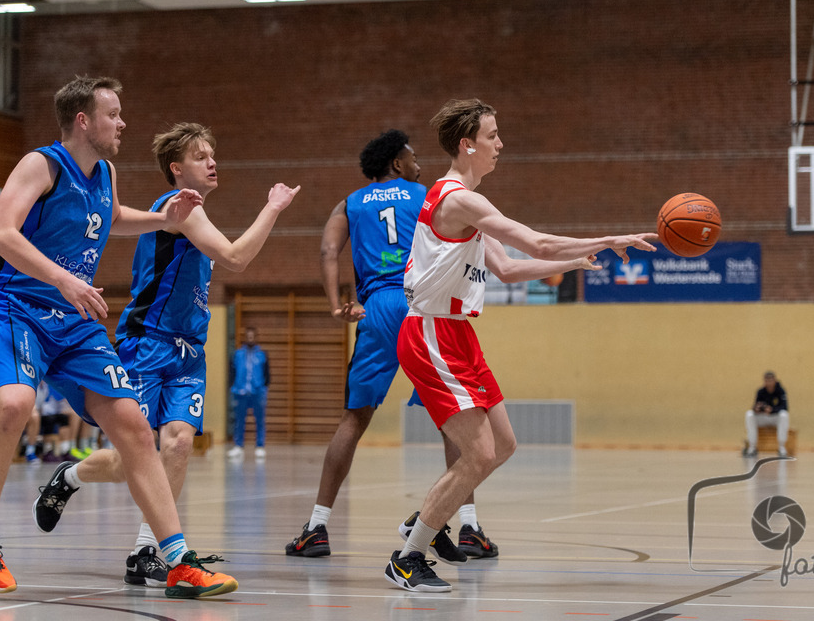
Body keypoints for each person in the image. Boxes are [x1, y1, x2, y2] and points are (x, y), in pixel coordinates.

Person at [0, 76, 235, 598]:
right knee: (14, 403)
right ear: (84, 120)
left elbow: (110, 219)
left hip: (73, 321)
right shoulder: (40, 164)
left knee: (135, 426)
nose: (123, 123)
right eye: (113, 114)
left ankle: (177, 560)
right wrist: (63, 278)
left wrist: (164, 218)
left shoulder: (105, 172)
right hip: (18, 307)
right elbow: (2, 233)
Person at [386, 98, 658, 592]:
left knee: (504, 445)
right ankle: (407, 558)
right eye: (493, 135)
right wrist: (607, 238)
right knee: (479, 453)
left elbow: (509, 267)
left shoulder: (466, 201)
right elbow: (537, 244)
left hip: (457, 333)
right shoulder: (458, 199)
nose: (500, 144)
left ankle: (422, 520)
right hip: (430, 332)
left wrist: (575, 263)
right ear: (467, 144)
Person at [33, 122, 299, 587]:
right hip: (148, 344)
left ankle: (145, 552)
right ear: (177, 170)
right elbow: (236, 258)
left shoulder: (198, 215)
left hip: (189, 352)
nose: (212, 162)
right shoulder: (176, 211)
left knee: (177, 443)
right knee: (134, 456)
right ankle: (70, 477)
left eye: (214, 154)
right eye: (201, 156)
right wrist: (273, 208)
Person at [285, 130, 497, 561]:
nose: (418, 162)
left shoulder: (349, 203)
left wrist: (334, 306)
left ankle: (318, 527)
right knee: (454, 417)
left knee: (354, 419)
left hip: (376, 307)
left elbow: (328, 251)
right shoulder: (427, 192)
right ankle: (470, 526)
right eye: (412, 156)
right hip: (421, 303)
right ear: (397, 164)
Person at [228, 327, 271, 459]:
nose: (250, 339)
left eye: (252, 336)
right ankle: (238, 446)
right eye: (248, 336)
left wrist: (263, 388)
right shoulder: (238, 354)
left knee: (260, 420)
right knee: (239, 420)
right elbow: (232, 372)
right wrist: (233, 386)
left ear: (256, 338)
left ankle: (259, 446)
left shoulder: (262, 354)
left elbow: (267, 374)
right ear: (245, 337)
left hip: (257, 392)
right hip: (240, 392)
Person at [742, 371, 790, 457]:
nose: (769, 383)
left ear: (775, 380)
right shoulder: (760, 392)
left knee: (784, 415)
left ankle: (782, 447)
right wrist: (757, 409)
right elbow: (756, 405)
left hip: (775, 418)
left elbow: (785, 407)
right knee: (749, 414)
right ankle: (752, 447)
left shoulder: (781, 391)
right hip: (763, 417)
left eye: (771, 380)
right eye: (767, 381)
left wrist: (772, 410)